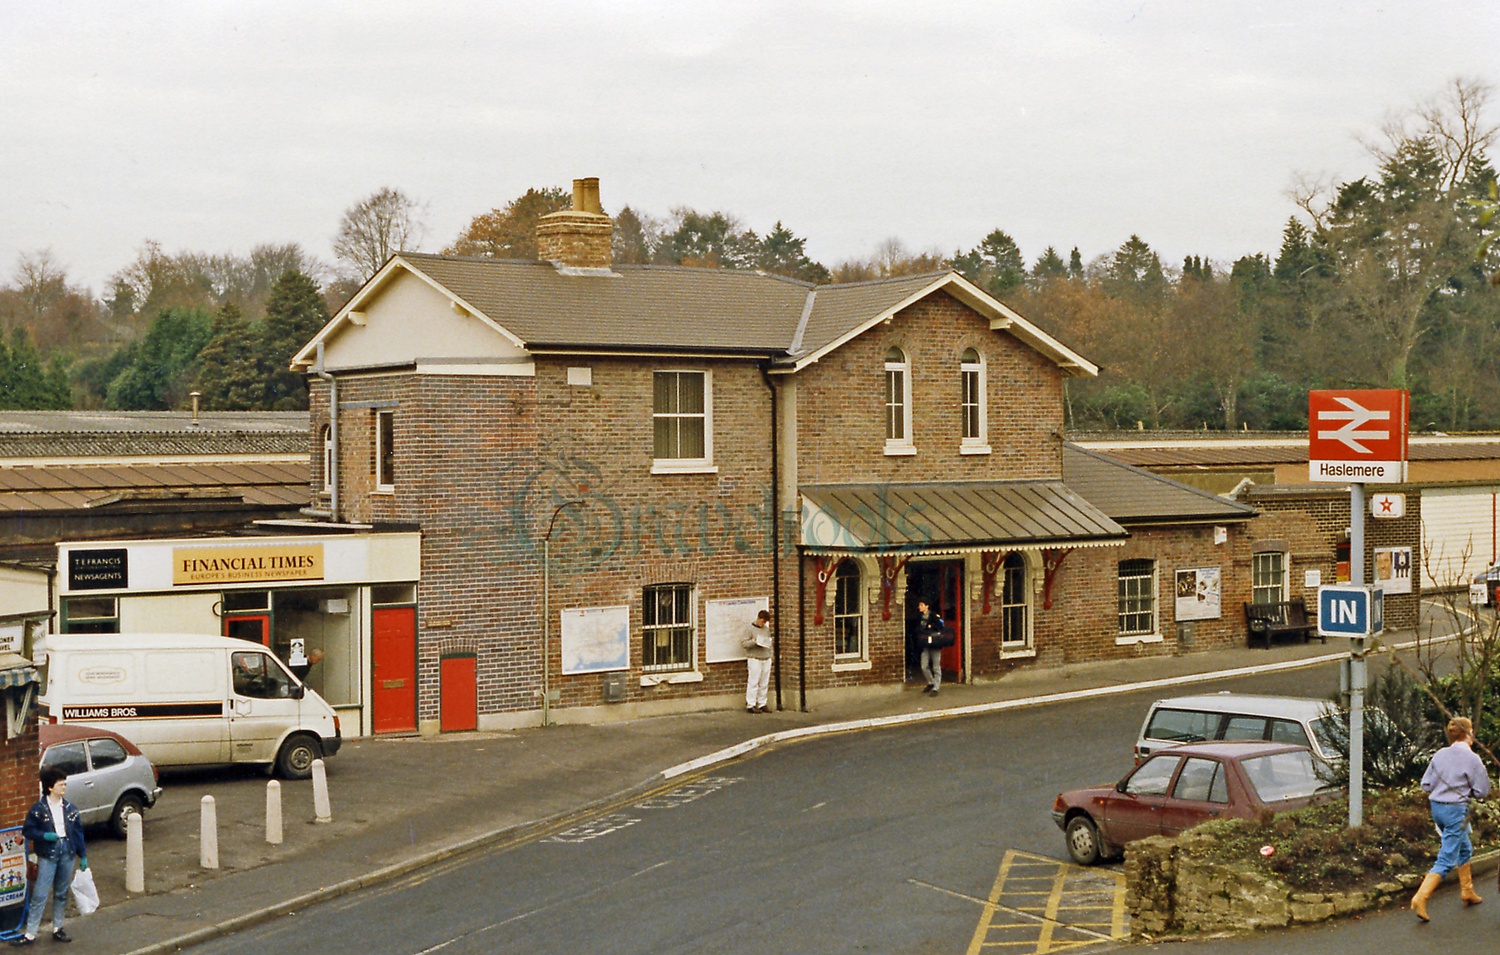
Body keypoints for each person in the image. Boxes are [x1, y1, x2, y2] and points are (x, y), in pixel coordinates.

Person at [1412, 716, 1490, 921]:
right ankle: (1421, 896)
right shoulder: (1473, 759)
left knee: (1464, 849)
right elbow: (1482, 791)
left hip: (1437, 808)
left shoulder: (1440, 754)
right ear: (1469, 733)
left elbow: (1426, 784)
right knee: (1446, 858)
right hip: (1456, 810)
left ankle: (1467, 891)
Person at [15, 767, 87, 946]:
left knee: (62, 892)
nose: (64, 787)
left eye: (64, 784)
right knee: (40, 893)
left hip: (67, 851)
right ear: (50, 787)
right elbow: (28, 830)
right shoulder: (38, 810)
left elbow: (77, 833)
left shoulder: (70, 809)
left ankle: (58, 927)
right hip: (48, 854)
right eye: (60, 784)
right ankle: (30, 933)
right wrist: (44, 836)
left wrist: (83, 855)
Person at [911, 598, 949, 695]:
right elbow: (916, 629)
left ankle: (936, 688)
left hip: (935, 644)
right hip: (925, 644)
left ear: (927, 606)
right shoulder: (919, 617)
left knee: (936, 667)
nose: (919, 607)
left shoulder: (934, 616)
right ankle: (931, 682)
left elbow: (941, 626)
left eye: (921, 605)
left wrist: (930, 627)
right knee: (924, 666)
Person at [742, 609, 773, 714]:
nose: (763, 624)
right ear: (758, 618)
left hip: (766, 657)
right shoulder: (750, 629)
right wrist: (755, 642)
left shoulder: (766, 629)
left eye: (765, 622)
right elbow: (744, 644)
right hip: (754, 657)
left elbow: (769, 642)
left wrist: (770, 654)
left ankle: (762, 703)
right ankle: (751, 704)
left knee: (764, 682)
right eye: (762, 621)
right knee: (753, 681)